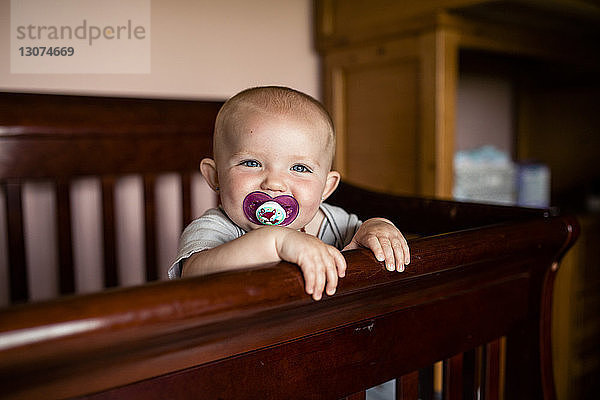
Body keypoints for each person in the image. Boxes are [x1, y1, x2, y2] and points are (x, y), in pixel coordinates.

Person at [169, 86, 410, 300]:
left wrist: (376, 227)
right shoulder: (215, 228)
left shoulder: (334, 222)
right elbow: (194, 274)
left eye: (299, 168)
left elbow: (361, 234)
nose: (274, 183)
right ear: (215, 176)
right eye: (251, 163)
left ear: (326, 187)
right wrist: (276, 241)